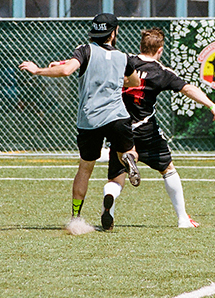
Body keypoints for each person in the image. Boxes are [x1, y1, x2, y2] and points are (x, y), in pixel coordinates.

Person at [19, 13, 141, 231]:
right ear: (114, 33)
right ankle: (129, 159)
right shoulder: (124, 57)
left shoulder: (84, 50)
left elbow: (67, 70)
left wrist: (38, 70)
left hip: (90, 119)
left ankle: (76, 217)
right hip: (117, 116)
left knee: (85, 168)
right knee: (129, 151)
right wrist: (114, 78)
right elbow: (135, 81)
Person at [108, 27, 215, 228]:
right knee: (168, 169)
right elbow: (188, 88)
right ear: (160, 50)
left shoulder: (124, 61)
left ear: (141, 46)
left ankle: (108, 203)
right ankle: (182, 219)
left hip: (120, 127)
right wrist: (212, 105)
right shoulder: (161, 72)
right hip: (146, 130)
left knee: (116, 177)